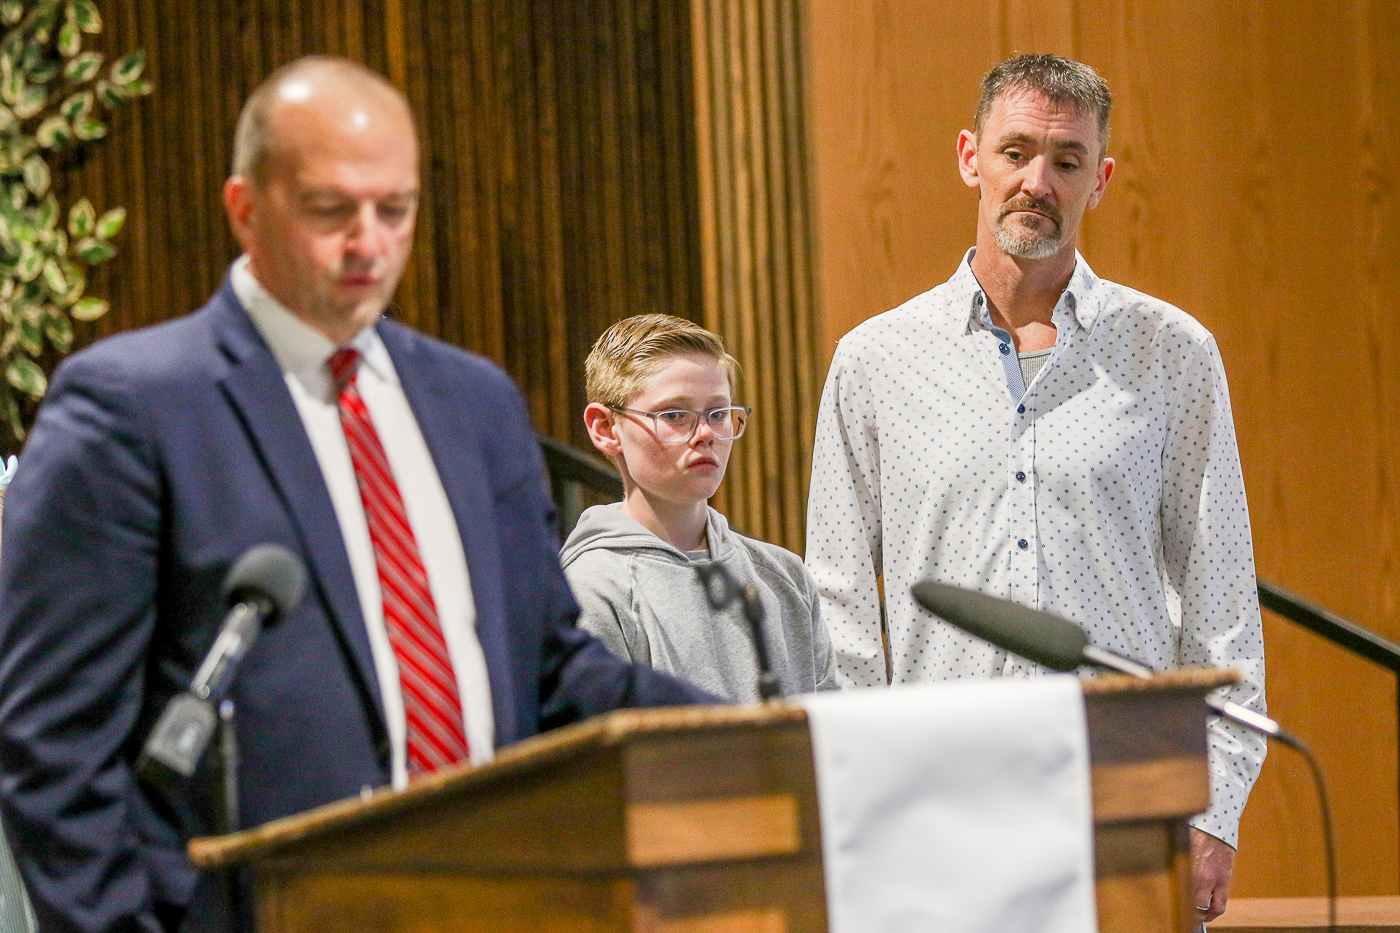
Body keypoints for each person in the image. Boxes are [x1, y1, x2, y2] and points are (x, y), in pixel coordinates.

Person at [0, 57, 712, 933]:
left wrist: (768, 738)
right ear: (245, 207)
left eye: (395, 210)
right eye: (330, 209)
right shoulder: (133, 408)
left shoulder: (476, 404)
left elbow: (551, 671)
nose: (368, 243)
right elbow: (54, 750)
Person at [805, 54, 1265, 921]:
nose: (1036, 182)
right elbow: (838, 610)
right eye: (1015, 152)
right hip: (934, 814)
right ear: (969, 157)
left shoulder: (1172, 353)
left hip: (1127, 803)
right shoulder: (873, 361)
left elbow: (1223, 602)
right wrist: (865, 793)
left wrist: (1216, 807)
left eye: (1066, 160)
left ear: (1101, 179)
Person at [561, 314, 838, 701]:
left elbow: (825, 726)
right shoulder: (589, 588)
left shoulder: (783, 576)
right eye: (674, 415)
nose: (706, 434)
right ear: (606, 429)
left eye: (718, 414)